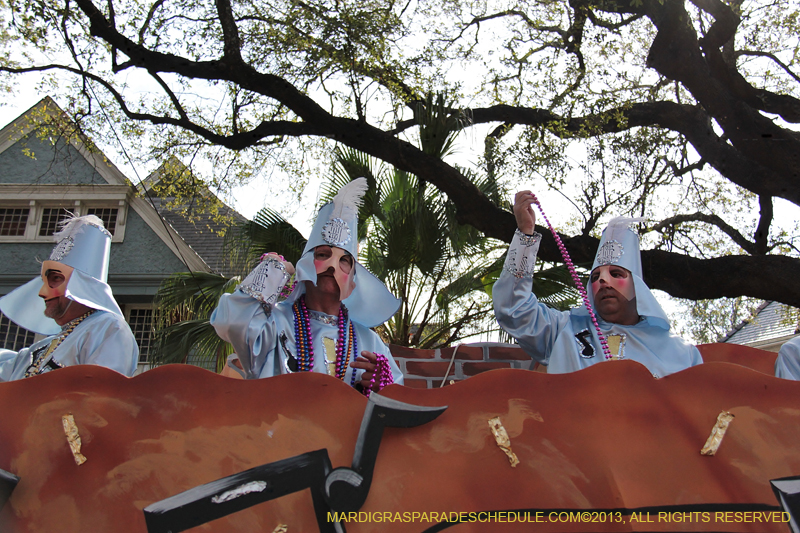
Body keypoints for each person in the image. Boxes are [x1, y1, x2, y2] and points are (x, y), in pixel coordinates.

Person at [211, 178, 403, 393]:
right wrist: (274, 270)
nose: (332, 265)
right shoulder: (273, 324)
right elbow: (231, 323)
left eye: (344, 261)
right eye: (323, 255)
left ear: (353, 279)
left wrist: (382, 385)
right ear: (305, 266)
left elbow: (396, 396)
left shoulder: (369, 341)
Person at [493, 190, 702, 378]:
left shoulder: (683, 353)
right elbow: (514, 310)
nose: (603, 280)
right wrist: (524, 236)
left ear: (637, 287)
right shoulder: (562, 329)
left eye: (616, 273)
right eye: (595, 277)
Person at [0, 215, 138, 380]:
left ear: (82, 285)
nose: (42, 292)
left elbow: (100, 396)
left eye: (55, 279)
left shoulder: (108, 328)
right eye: (44, 281)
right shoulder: (39, 349)